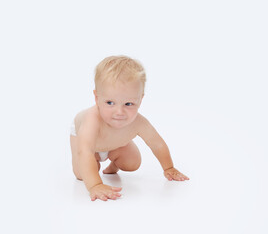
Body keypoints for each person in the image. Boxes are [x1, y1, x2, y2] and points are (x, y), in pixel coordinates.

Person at [70, 55, 189, 201]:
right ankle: (95, 163)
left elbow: (156, 143)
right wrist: (95, 185)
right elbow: (85, 151)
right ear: (96, 97)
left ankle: (113, 165)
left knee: (133, 163)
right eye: (110, 102)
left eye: (128, 104)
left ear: (140, 99)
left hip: (114, 143)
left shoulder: (138, 122)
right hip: (86, 144)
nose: (119, 112)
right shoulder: (91, 120)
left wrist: (169, 168)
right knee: (82, 174)